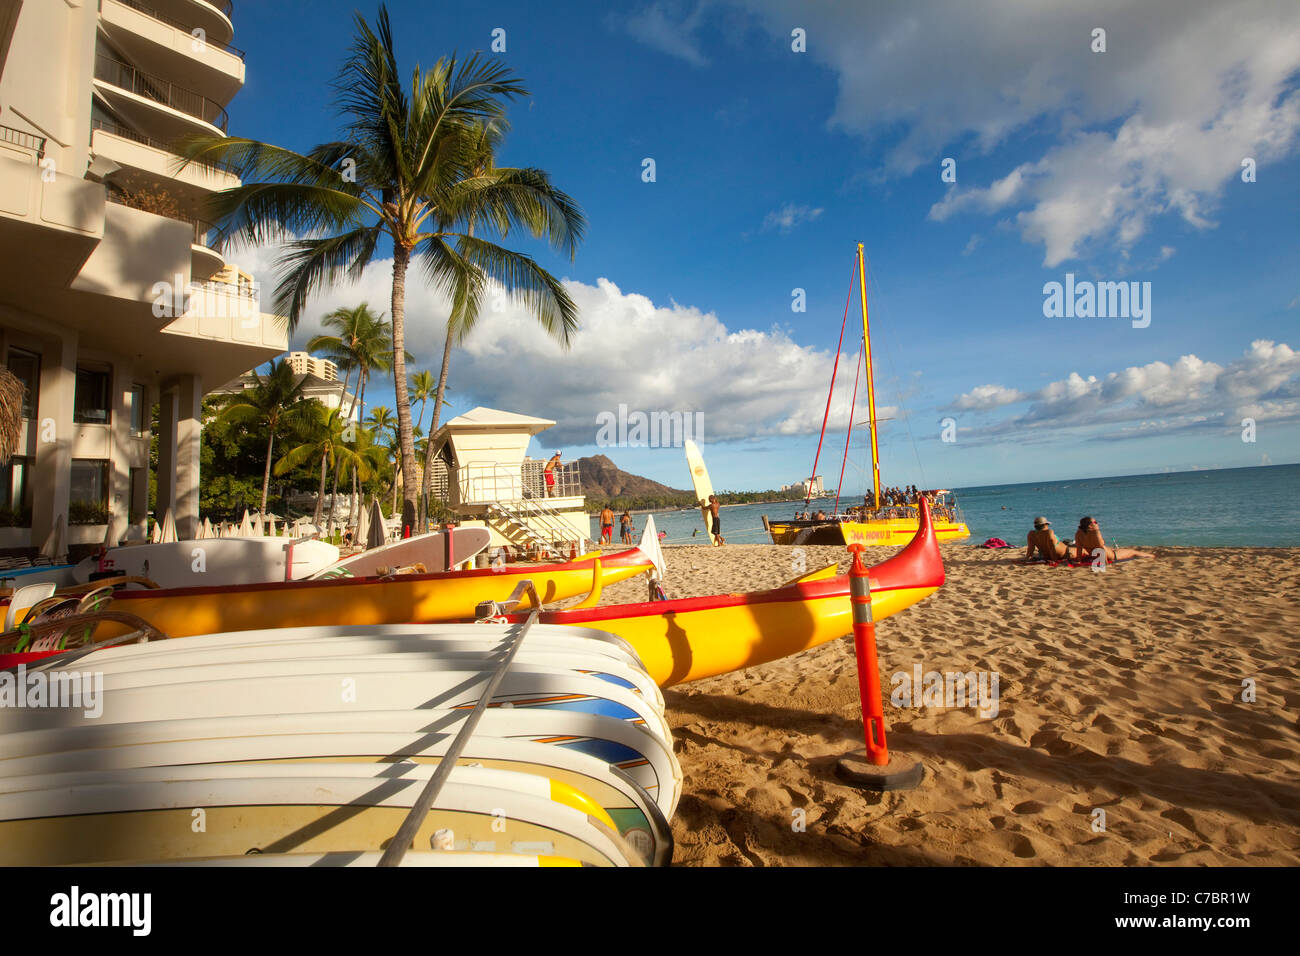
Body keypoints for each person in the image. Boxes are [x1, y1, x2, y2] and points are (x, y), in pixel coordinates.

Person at [1073, 516, 1155, 563]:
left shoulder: (1079, 534)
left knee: (1116, 549)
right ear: (1090, 526)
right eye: (1095, 522)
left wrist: (1079, 560)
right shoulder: (1095, 532)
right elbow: (1101, 548)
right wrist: (1104, 563)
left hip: (1093, 555)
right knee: (1133, 552)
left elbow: (1079, 548)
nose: (1097, 523)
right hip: (1112, 556)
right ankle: (1153, 556)